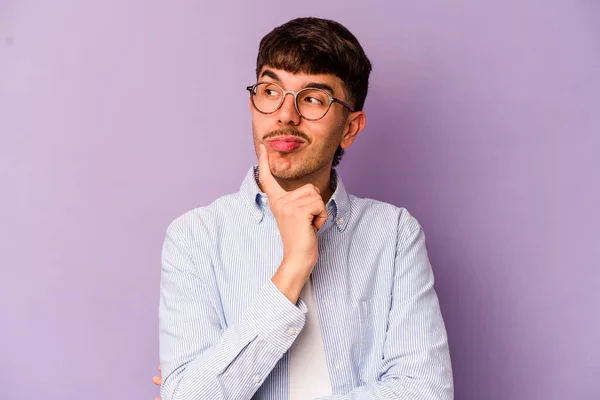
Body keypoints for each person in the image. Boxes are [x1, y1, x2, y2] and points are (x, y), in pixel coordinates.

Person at [154, 16, 454, 400]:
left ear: (350, 127)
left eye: (313, 98)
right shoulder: (194, 236)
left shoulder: (393, 233)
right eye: (270, 90)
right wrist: (293, 267)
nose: (285, 114)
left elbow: (426, 393)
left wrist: (213, 381)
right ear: (253, 104)